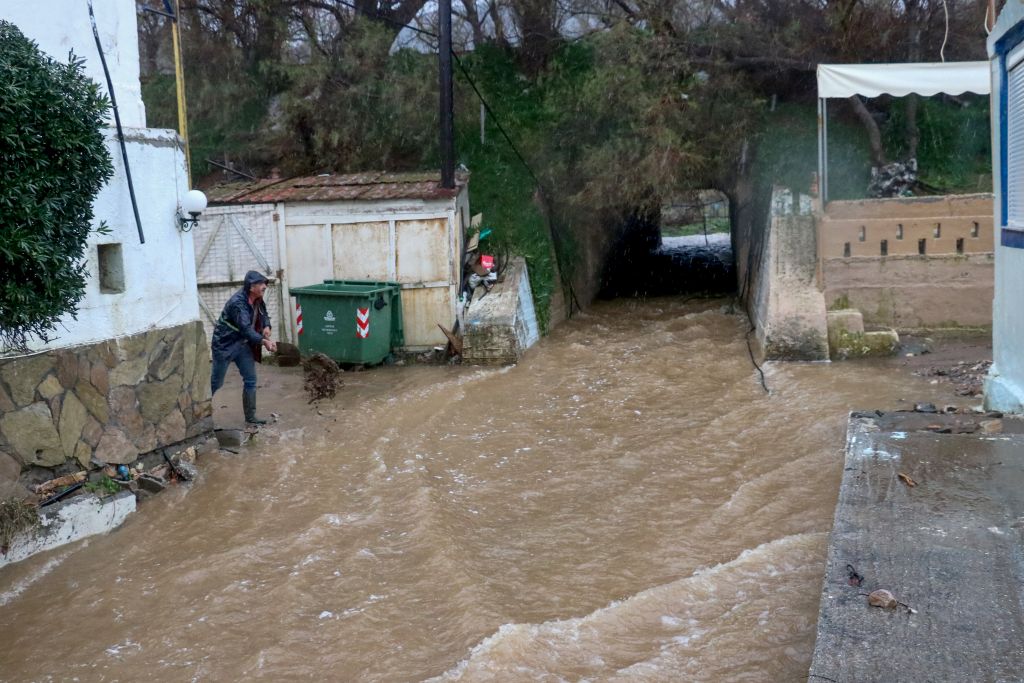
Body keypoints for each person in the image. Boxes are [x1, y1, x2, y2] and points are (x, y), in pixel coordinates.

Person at [210, 270, 277, 424]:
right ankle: (204, 418)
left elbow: (263, 313)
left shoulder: (258, 299)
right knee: (217, 383)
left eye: (264, 284)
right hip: (224, 345)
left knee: (251, 380)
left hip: (242, 344)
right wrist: (264, 341)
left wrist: (266, 326)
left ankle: (251, 417)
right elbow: (246, 329)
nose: (264, 287)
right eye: (260, 284)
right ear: (251, 287)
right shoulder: (237, 303)